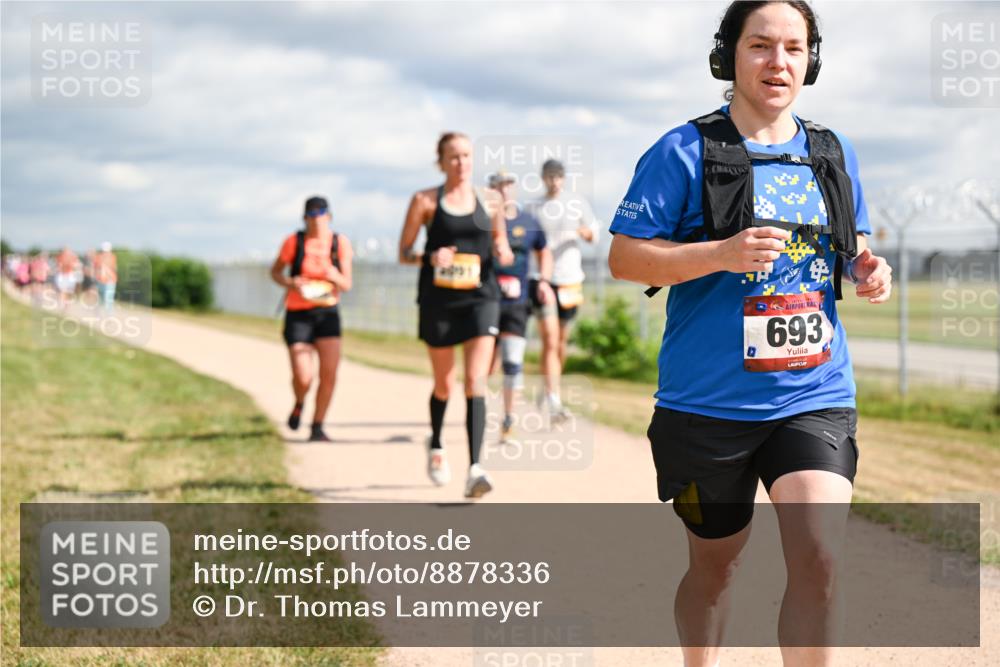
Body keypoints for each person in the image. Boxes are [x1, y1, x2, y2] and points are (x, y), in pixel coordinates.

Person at [607, 2, 892, 666]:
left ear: (811, 60)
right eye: (761, 45)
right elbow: (624, 258)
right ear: (729, 55)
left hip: (813, 392)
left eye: (794, 48)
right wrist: (719, 253)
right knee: (716, 568)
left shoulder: (831, 150)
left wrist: (870, 269)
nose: (779, 62)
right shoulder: (684, 150)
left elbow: (855, 247)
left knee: (820, 555)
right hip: (704, 406)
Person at [398, 132, 514, 499]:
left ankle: (476, 468)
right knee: (444, 383)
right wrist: (429, 257)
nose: (461, 163)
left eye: (466, 156)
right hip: (439, 301)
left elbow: (503, 248)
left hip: (481, 297)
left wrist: (501, 249)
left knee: (475, 380)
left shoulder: (491, 200)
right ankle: (436, 444)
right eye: (453, 157)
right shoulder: (425, 201)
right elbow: (404, 252)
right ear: (441, 161)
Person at [270, 196, 354, 443]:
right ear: (305, 218)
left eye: (321, 214)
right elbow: (275, 271)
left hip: (327, 313)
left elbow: (347, 284)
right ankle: (299, 402)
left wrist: (333, 275)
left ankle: (318, 425)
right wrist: (290, 282)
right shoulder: (293, 242)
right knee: (304, 375)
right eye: (312, 215)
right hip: (298, 313)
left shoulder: (340, 243)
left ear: (329, 216)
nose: (317, 219)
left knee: (329, 373)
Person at [486, 169, 556, 442]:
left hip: (517, 302)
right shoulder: (483, 221)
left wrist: (544, 281)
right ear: (491, 190)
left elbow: (544, 251)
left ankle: (508, 419)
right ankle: (477, 407)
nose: (504, 190)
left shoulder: (529, 221)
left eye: (509, 185)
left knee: (512, 363)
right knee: (485, 367)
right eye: (499, 185)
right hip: (487, 301)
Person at [527, 159, 599, 421]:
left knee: (560, 343)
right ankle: (554, 400)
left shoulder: (576, 203)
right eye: (549, 177)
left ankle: (548, 387)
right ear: (543, 178)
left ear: (564, 179)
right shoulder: (533, 207)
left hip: (570, 279)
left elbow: (594, 233)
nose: (554, 181)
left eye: (558, 177)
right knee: (549, 338)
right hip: (542, 279)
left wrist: (583, 232)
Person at [93, 242, 118, 312]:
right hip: (104, 280)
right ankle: (103, 312)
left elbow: (96, 269)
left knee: (107, 297)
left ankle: (107, 313)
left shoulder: (110, 257)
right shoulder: (111, 257)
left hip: (109, 280)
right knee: (104, 297)